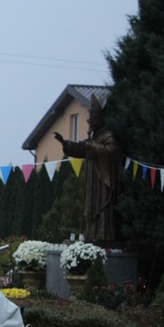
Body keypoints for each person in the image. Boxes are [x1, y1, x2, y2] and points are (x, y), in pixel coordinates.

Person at [54, 94, 123, 244]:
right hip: (93, 180)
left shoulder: (107, 135)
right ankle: (92, 234)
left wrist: (91, 147)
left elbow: (113, 152)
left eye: (91, 119)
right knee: (91, 208)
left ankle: (104, 236)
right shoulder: (95, 137)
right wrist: (66, 144)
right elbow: (82, 149)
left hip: (103, 181)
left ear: (99, 119)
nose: (88, 122)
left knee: (102, 207)